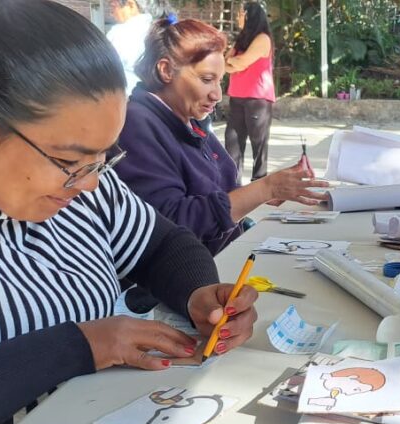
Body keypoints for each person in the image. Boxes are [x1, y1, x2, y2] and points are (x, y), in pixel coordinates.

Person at [0, 1, 258, 424]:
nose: (91, 183)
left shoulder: (82, 181)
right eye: (70, 162)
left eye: (103, 158)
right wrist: (82, 345)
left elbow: (162, 242)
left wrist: (199, 293)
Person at [115, 17, 328, 256]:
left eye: (220, 81)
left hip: (225, 258)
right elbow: (171, 224)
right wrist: (265, 189)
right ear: (165, 70)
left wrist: (269, 193)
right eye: (207, 80)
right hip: (190, 284)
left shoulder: (187, 119)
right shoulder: (136, 125)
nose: (217, 94)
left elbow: (219, 191)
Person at [224, 1, 276, 183]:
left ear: (249, 16)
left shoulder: (263, 39)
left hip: (257, 99)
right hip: (237, 96)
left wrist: (235, 62)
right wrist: (234, 63)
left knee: (258, 144)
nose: (238, 17)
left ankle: (259, 182)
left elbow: (241, 62)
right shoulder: (242, 39)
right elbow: (227, 65)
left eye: (240, 14)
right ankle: (233, 184)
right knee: (232, 141)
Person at [105, 0, 168, 95]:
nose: (111, 14)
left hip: (127, 100)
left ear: (131, 5)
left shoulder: (119, 33)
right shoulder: (162, 30)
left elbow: (102, 72)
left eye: (113, 6)